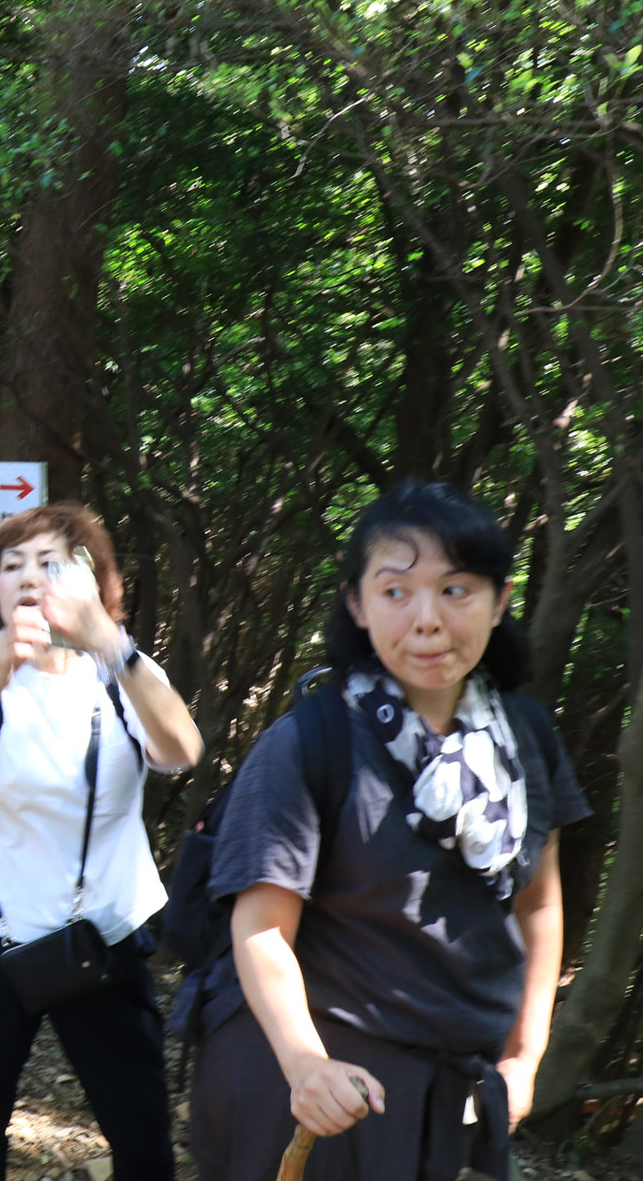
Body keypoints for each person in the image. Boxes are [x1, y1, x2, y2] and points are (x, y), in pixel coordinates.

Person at [189, 481, 589, 1180]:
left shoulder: (527, 739)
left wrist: (525, 1055)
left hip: (455, 1089)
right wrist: (306, 1065)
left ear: (499, 602)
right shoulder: (310, 742)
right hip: (314, 1079)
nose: (426, 620)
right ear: (358, 604)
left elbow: (539, 904)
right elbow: (260, 929)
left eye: (456, 589)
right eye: (396, 591)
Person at [0, 504, 202, 1181]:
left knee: (140, 1134)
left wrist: (111, 643)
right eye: (11, 565)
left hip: (101, 931)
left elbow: (183, 748)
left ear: (92, 581)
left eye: (49, 563)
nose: (26, 577)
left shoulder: (121, 675)